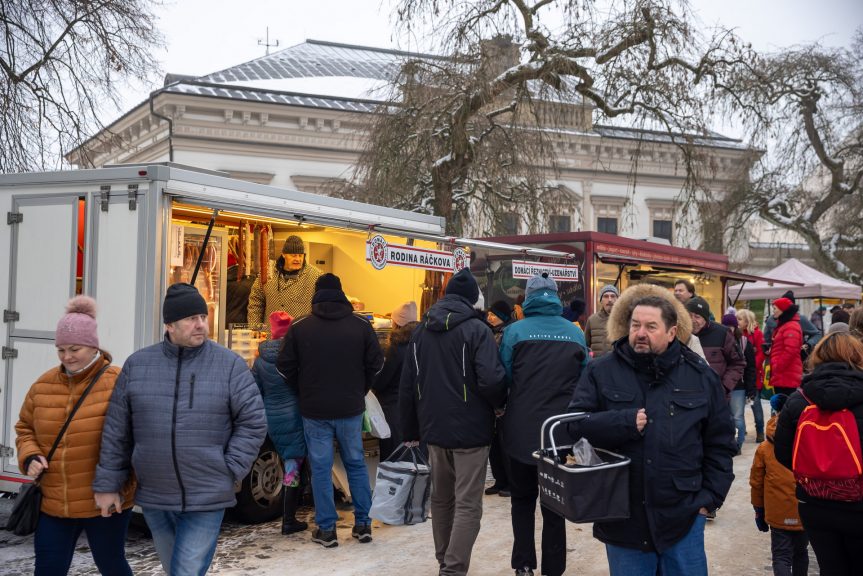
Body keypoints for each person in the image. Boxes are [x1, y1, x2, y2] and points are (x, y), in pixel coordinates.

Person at [93, 283, 267, 576]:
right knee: (175, 569)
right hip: (156, 495)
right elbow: (117, 430)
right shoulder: (138, 365)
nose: (200, 324)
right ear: (169, 325)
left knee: (185, 571)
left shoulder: (230, 366)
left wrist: (229, 469)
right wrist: (109, 484)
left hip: (207, 494)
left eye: (203, 316)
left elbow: (253, 421)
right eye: (190, 319)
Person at [568, 294, 736, 575]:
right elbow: (574, 427)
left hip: (683, 516)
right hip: (623, 518)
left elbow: (720, 441)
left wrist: (709, 500)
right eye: (635, 325)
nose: (640, 333)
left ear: (672, 332)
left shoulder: (699, 376)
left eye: (651, 326)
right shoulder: (601, 370)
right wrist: (622, 422)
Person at [14, 296, 135, 576]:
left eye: (75, 349)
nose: (67, 357)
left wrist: (123, 488)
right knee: (47, 568)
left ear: (93, 346)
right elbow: (24, 428)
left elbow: (134, 441)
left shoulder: (118, 381)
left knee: (112, 565)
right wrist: (30, 455)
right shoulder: (42, 385)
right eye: (61, 350)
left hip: (104, 502)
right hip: (55, 502)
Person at [400, 268, 506, 576]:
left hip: (433, 428)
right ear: (474, 299)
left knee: (441, 499)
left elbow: (408, 384)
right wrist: (500, 405)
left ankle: (444, 560)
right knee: (468, 503)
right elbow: (491, 380)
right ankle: (453, 569)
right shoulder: (478, 330)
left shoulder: (420, 331)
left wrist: (410, 430)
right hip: (472, 430)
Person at [276, 273, 384, 548]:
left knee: (321, 469)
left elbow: (283, 366)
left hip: (314, 410)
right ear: (342, 294)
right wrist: (360, 388)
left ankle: (326, 529)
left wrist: (303, 388)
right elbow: (377, 364)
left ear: (316, 295)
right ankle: (363, 524)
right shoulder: (361, 325)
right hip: (350, 407)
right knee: (356, 464)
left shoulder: (300, 327)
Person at [499, 273, 588, 576]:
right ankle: (554, 568)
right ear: (555, 297)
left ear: (527, 298)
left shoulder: (514, 332)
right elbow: (584, 379)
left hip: (521, 429)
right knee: (554, 504)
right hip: (557, 433)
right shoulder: (575, 332)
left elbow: (506, 376)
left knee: (522, 500)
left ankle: (523, 564)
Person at [774, 333, 863, 576]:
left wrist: (815, 469)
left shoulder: (799, 399)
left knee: (830, 566)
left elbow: (782, 453)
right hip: (859, 503)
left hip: (814, 501)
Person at [252, 311, 307, 535]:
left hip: (272, 418)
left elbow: (255, 390)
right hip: (295, 416)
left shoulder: (260, 359)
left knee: (287, 462)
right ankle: (289, 520)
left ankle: (291, 514)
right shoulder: (296, 356)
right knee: (293, 468)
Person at [750, 393, 809, 576]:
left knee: (781, 555)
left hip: (777, 512)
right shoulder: (808, 441)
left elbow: (757, 483)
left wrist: (759, 509)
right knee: (800, 552)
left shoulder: (766, 448)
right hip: (804, 510)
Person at [373, 301, 419, 460]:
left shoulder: (396, 347)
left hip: (393, 407)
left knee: (392, 454)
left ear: (397, 322)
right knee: (411, 453)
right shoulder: (422, 342)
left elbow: (383, 380)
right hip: (416, 406)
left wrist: (372, 382)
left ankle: (392, 485)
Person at [247, 235, 322, 326]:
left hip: (300, 336)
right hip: (271, 335)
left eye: (300, 255)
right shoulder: (267, 272)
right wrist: (255, 328)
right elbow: (256, 301)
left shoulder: (316, 276)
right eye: (293, 255)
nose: (297, 259)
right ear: (283, 254)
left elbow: (323, 307)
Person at [686, 297, 746, 399]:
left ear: (706, 318)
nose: (692, 320)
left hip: (714, 398)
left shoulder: (722, 333)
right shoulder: (680, 333)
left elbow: (738, 363)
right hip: (686, 397)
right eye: (689, 315)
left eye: (697, 316)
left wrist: (723, 388)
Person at [484, 299, 514, 497]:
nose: (489, 316)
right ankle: (499, 479)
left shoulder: (509, 334)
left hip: (505, 393)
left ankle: (510, 482)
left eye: (493, 314)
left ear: (502, 317)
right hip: (492, 393)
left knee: (504, 440)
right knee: (494, 441)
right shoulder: (490, 333)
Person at [722, 310, 756, 454]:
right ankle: (728, 443)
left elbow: (750, 368)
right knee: (725, 417)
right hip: (722, 385)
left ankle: (738, 445)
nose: (728, 329)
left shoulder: (743, 342)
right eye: (725, 326)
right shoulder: (719, 340)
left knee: (737, 417)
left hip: (739, 386)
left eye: (730, 326)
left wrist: (751, 389)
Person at [737, 308, 767, 443]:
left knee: (756, 404)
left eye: (739, 319)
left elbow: (761, 352)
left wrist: (751, 364)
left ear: (747, 321)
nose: (737, 321)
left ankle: (760, 430)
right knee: (739, 405)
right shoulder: (736, 334)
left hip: (753, 373)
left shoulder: (757, 334)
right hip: (740, 375)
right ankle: (742, 428)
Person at [769, 297, 804, 397]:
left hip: (786, 375)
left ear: (782, 310)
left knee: (784, 406)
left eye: (775, 309)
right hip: (783, 375)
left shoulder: (791, 326)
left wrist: (777, 366)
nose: (773, 312)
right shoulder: (785, 325)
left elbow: (791, 350)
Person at [585, 284, 618, 357]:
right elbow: (586, 346)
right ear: (601, 300)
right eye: (606, 296)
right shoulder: (592, 320)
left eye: (613, 296)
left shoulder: (623, 320)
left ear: (617, 299)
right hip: (597, 365)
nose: (609, 300)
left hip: (617, 366)